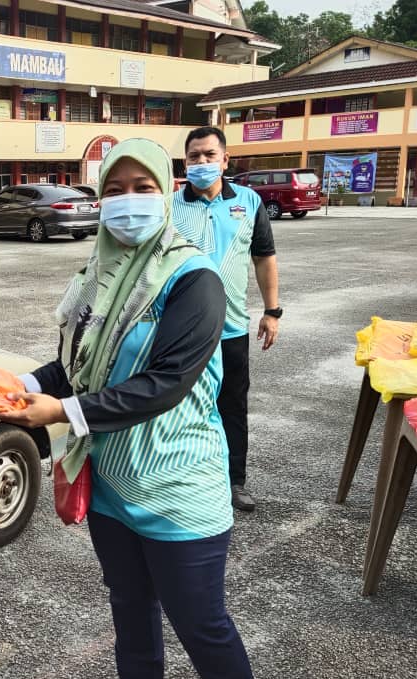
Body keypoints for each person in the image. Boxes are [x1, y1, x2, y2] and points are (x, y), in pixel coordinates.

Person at [0, 138, 268, 679]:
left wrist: (61, 411)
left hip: (177, 484)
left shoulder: (194, 277)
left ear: (166, 193)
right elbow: (80, 362)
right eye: (114, 189)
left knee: (201, 622)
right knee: (129, 600)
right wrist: (23, 384)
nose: (128, 203)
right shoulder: (98, 272)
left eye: (143, 188)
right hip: (113, 478)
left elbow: (164, 383)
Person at [172, 126, 279, 512]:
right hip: (182, 331)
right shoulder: (170, 206)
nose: (201, 162)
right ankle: (186, 478)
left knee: (232, 405)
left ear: (225, 160)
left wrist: (272, 310)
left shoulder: (249, 202)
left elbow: (264, 257)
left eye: (208, 155)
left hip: (232, 327)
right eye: (194, 156)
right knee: (179, 404)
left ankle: (234, 481)